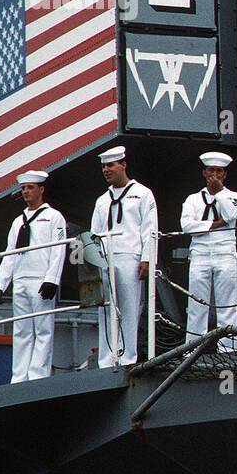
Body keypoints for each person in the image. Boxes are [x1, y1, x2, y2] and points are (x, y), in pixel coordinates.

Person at [0, 170, 66, 382]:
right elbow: (10, 253)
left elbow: (58, 249)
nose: (26, 191)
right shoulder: (18, 221)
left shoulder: (53, 217)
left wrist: (52, 280)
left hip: (41, 279)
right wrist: (1, 283)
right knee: (21, 331)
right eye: (23, 188)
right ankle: (19, 376)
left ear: (41, 189)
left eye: (30, 187)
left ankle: (38, 375)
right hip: (21, 280)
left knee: (43, 330)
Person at [90, 147, 157, 367]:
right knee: (106, 310)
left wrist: (147, 258)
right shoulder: (102, 200)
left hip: (130, 255)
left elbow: (149, 229)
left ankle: (128, 358)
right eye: (103, 167)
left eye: (111, 165)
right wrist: (95, 263)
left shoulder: (142, 193)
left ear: (123, 165)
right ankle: (107, 360)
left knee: (129, 309)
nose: (106, 170)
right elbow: (94, 234)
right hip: (106, 259)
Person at [181, 153, 237, 349]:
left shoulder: (234, 196)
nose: (214, 175)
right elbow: (186, 225)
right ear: (204, 172)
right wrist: (217, 224)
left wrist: (219, 194)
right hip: (200, 254)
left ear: (224, 174)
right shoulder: (192, 199)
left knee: (227, 305)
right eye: (211, 171)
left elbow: (233, 214)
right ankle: (191, 350)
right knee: (196, 306)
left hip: (224, 254)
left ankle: (228, 350)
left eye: (219, 171)